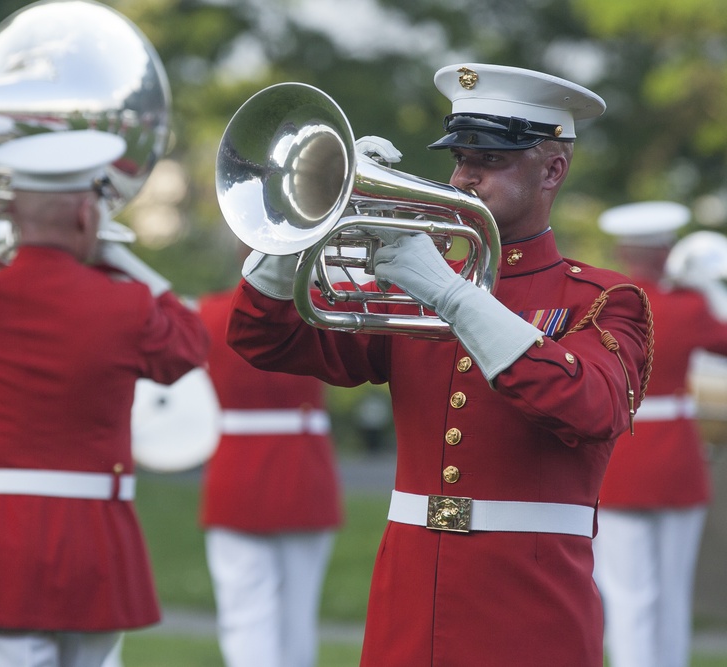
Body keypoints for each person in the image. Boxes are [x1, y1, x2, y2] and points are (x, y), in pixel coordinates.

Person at [225, 63, 654, 665]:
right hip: (408, 594)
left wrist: (454, 295)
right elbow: (263, 338)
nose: (463, 176)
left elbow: (589, 408)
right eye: (459, 156)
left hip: (528, 608)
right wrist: (308, 218)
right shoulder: (419, 287)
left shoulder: (604, 300)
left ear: (553, 168)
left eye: (492, 159)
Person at [0, 129, 209, 667]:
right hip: (95, 540)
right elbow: (191, 344)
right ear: (89, 217)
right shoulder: (126, 305)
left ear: (12, 212)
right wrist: (128, 264)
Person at [593, 201, 727, 667]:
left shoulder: (601, 304)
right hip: (676, 460)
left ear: (623, 251)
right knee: (672, 592)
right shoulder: (687, 306)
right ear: (666, 251)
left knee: (628, 594)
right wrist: (706, 289)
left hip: (621, 461)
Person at [197, 260, 343, 667]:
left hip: (235, 471)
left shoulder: (209, 311)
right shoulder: (319, 306)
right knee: (298, 616)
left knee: (243, 614)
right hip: (303, 471)